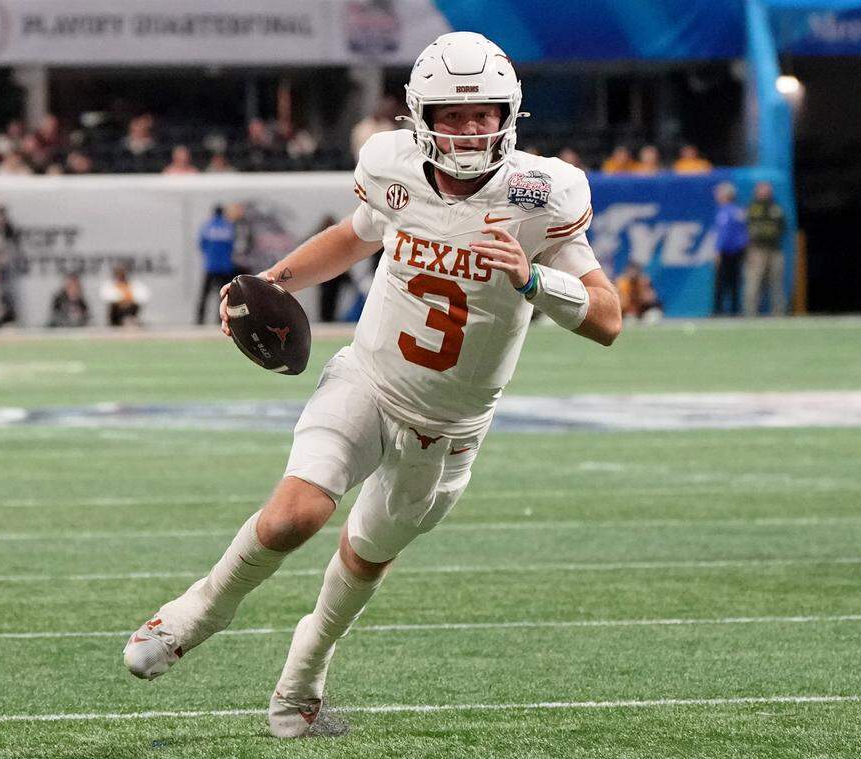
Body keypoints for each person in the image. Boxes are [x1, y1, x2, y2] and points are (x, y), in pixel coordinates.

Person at [121, 31, 622, 739]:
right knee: (294, 515)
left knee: (363, 559)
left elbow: (607, 319)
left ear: (510, 114)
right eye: (454, 113)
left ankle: (301, 681)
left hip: (448, 428)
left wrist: (534, 279)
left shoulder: (543, 193)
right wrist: (272, 281)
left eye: (485, 112)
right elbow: (358, 234)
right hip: (368, 377)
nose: (472, 127)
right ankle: (194, 613)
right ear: (422, 116)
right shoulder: (392, 166)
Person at [743, 181, 787, 316]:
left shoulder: (775, 207)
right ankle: (750, 313)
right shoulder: (752, 207)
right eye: (762, 189)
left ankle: (779, 313)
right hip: (756, 250)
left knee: (776, 283)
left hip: (774, 249)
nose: (765, 192)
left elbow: (782, 227)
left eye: (767, 189)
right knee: (753, 282)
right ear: (757, 192)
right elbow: (745, 230)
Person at [195, 206, 238, 325]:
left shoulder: (207, 226)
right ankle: (221, 319)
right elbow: (232, 246)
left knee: (205, 295)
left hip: (210, 266)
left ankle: (199, 320)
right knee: (224, 296)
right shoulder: (229, 226)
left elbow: (201, 245)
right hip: (225, 266)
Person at [712, 182, 748, 316]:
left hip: (727, 251)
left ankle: (718, 311)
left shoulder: (725, 211)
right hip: (738, 252)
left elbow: (724, 233)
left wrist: (718, 250)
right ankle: (735, 310)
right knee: (735, 282)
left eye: (719, 193)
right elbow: (744, 234)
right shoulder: (739, 210)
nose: (716, 195)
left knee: (721, 283)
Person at [312, 215, 351, 322]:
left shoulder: (336, 238)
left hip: (334, 274)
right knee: (327, 297)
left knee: (331, 297)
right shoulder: (321, 239)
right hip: (327, 274)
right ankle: (326, 317)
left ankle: (328, 317)